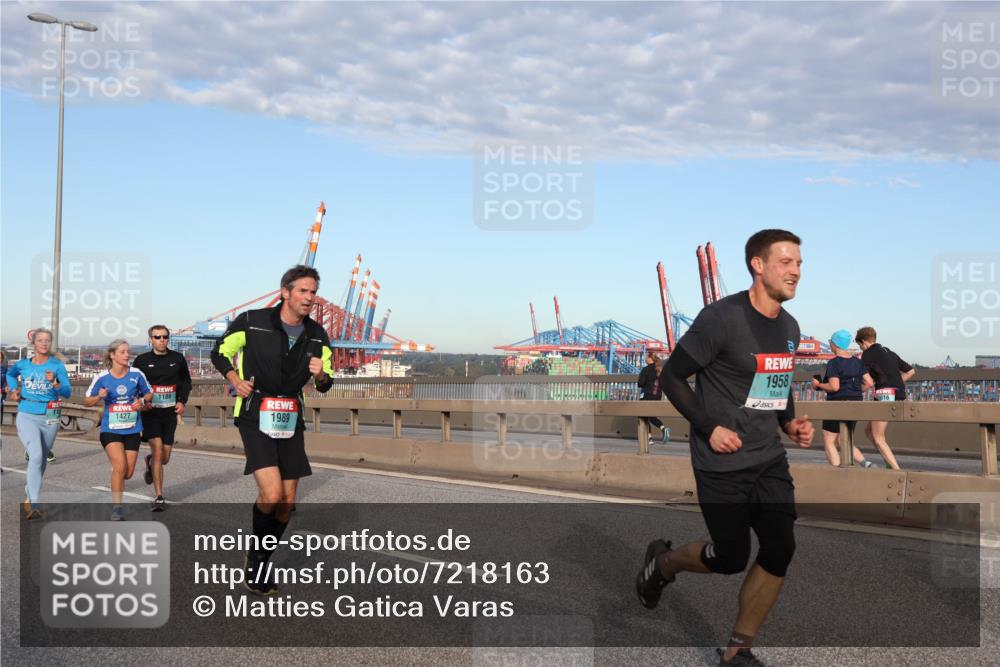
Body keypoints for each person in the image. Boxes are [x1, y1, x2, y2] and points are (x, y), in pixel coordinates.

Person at [638, 229, 814, 667]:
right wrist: (709, 426)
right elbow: (672, 377)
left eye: (799, 264)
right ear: (758, 264)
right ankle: (663, 565)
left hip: (768, 458)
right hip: (721, 462)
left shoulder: (789, 327)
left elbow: (776, 384)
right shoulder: (721, 318)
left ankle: (738, 649)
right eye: (786, 262)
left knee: (780, 546)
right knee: (731, 557)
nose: (796, 271)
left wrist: (789, 421)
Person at [211, 265, 335, 596]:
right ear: (285, 292)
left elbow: (325, 383)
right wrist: (234, 380)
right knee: (272, 493)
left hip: (291, 415)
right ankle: (257, 563)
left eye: (313, 292)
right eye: (303, 291)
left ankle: (261, 554)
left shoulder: (317, 335)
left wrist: (321, 375)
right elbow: (219, 351)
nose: (310, 297)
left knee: (288, 500)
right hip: (255, 413)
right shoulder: (252, 321)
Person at [5, 328, 72, 519]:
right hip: (27, 414)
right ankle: (34, 502)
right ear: (33, 343)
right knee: (36, 456)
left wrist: (56, 383)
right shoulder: (23, 364)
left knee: (41, 459)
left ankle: (30, 492)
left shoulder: (57, 365)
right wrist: (13, 389)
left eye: (47, 341)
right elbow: (10, 375)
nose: (44, 343)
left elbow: (67, 392)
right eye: (40, 340)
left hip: (50, 415)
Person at [83, 339, 152, 521]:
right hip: (110, 429)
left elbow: (149, 393)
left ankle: (133, 468)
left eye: (128, 351)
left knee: (127, 474)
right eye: (122, 352)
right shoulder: (102, 377)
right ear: (112, 355)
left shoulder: (137, 374)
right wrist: (99, 395)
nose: (127, 355)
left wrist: (142, 401)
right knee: (120, 467)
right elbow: (87, 401)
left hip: (132, 429)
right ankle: (117, 508)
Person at [133, 325, 192, 511]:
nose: (162, 340)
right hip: (150, 414)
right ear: (150, 339)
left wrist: (182, 401)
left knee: (164, 458)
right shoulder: (142, 361)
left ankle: (151, 462)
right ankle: (159, 496)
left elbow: (186, 382)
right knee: (158, 451)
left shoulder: (177, 358)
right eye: (157, 337)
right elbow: (134, 385)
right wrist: (142, 401)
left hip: (169, 414)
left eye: (165, 337)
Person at [811, 329, 876, 468]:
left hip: (837, 404)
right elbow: (870, 382)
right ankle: (866, 463)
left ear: (836, 344)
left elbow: (834, 387)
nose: (829, 345)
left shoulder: (834, 363)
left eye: (830, 342)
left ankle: (837, 473)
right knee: (844, 439)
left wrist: (819, 385)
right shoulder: (858, 362)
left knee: (829, 440)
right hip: (856, 402)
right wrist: (856, 391)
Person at [855, 326, 915, 470]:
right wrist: (896, 384)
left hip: (884, 394)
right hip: (899, 393)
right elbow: (911, 371)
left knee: (877, 436)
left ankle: (896, 470)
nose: (861, 348)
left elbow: (867, 381)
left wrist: (856, 391)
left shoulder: (868, 354)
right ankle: (888, 462)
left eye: (859, 345)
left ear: (863, 342)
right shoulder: (889, 351)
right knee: (869, 431)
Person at [637, 350, 669, 445]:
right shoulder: (659, 369)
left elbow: (640, 383)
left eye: (646, 357)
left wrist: (642, 382)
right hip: (658, 396)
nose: (645, 359)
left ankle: (658, 431)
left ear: (650, 358)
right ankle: (651, 437)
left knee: (643, 415)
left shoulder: (646, 369)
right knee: (650, 415)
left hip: (647, 395)